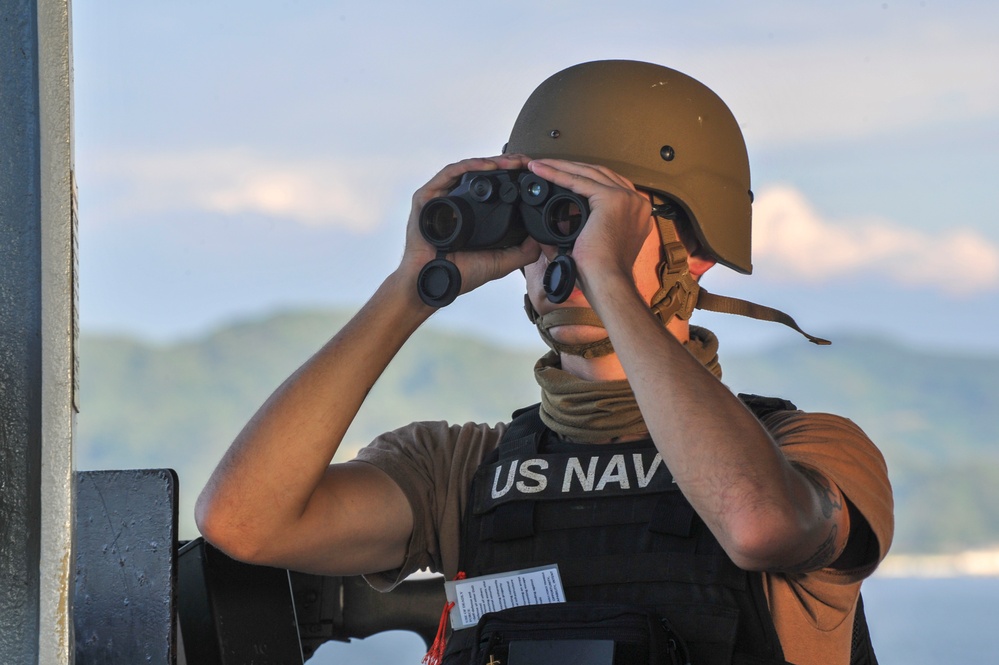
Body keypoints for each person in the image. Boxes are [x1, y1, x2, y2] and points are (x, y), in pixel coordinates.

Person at [196, 60, 893, 665]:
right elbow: (243, 521)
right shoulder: (461, 469)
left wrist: (611, 281)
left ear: (697, 251)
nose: (568, 253)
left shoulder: (809, 451)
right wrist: (411, 286)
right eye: (552, 222)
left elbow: (757, 524)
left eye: (591, 216)